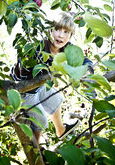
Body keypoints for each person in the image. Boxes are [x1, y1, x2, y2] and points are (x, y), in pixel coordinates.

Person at [11, 12, 93, 144]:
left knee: (57, 98)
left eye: (66, 32)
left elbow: (84, 60)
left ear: (71, 35)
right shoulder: (38, 47)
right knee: (41, 121)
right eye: (56, 29)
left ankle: (61, 130)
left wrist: (87, 72)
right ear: (49, 30)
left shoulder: (66, 48)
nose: (61, 35)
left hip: (38, 86)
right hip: (22, 90)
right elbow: (23, 66)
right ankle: (36, 148)